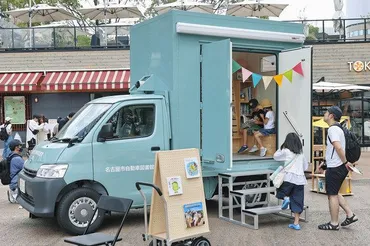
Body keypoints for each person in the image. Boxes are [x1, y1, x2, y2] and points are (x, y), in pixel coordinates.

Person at [318, 106, 358, 231]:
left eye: (326, 112)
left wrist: (345, 162)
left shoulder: (333, 129)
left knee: (332, 194)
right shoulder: (337, 129)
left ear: (331, 116)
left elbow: (338, 147)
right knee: (333, 192)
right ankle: (350, 215)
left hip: (337, 167)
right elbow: (333, 150)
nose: (324, 114)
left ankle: (334, 223)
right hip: (337, 165)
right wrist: (324, 163)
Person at [273, 132, 308, 230]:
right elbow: (305, 167)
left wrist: (281, 147)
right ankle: (296, 223)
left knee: (280, 191)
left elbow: (275, 156)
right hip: (300, 180)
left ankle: (286, 198)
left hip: (289, 178)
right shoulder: (301, 154)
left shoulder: (285, 151)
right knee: (297, 201)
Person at [7, 139, 24, 204]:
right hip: (16, 184)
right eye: (19, 146)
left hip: (12, 183)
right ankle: (14, 197)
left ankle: (13, 194)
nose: (20, 147)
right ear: (16, 147)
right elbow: (26, 168)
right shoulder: (17, 159)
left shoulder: (10, 156)